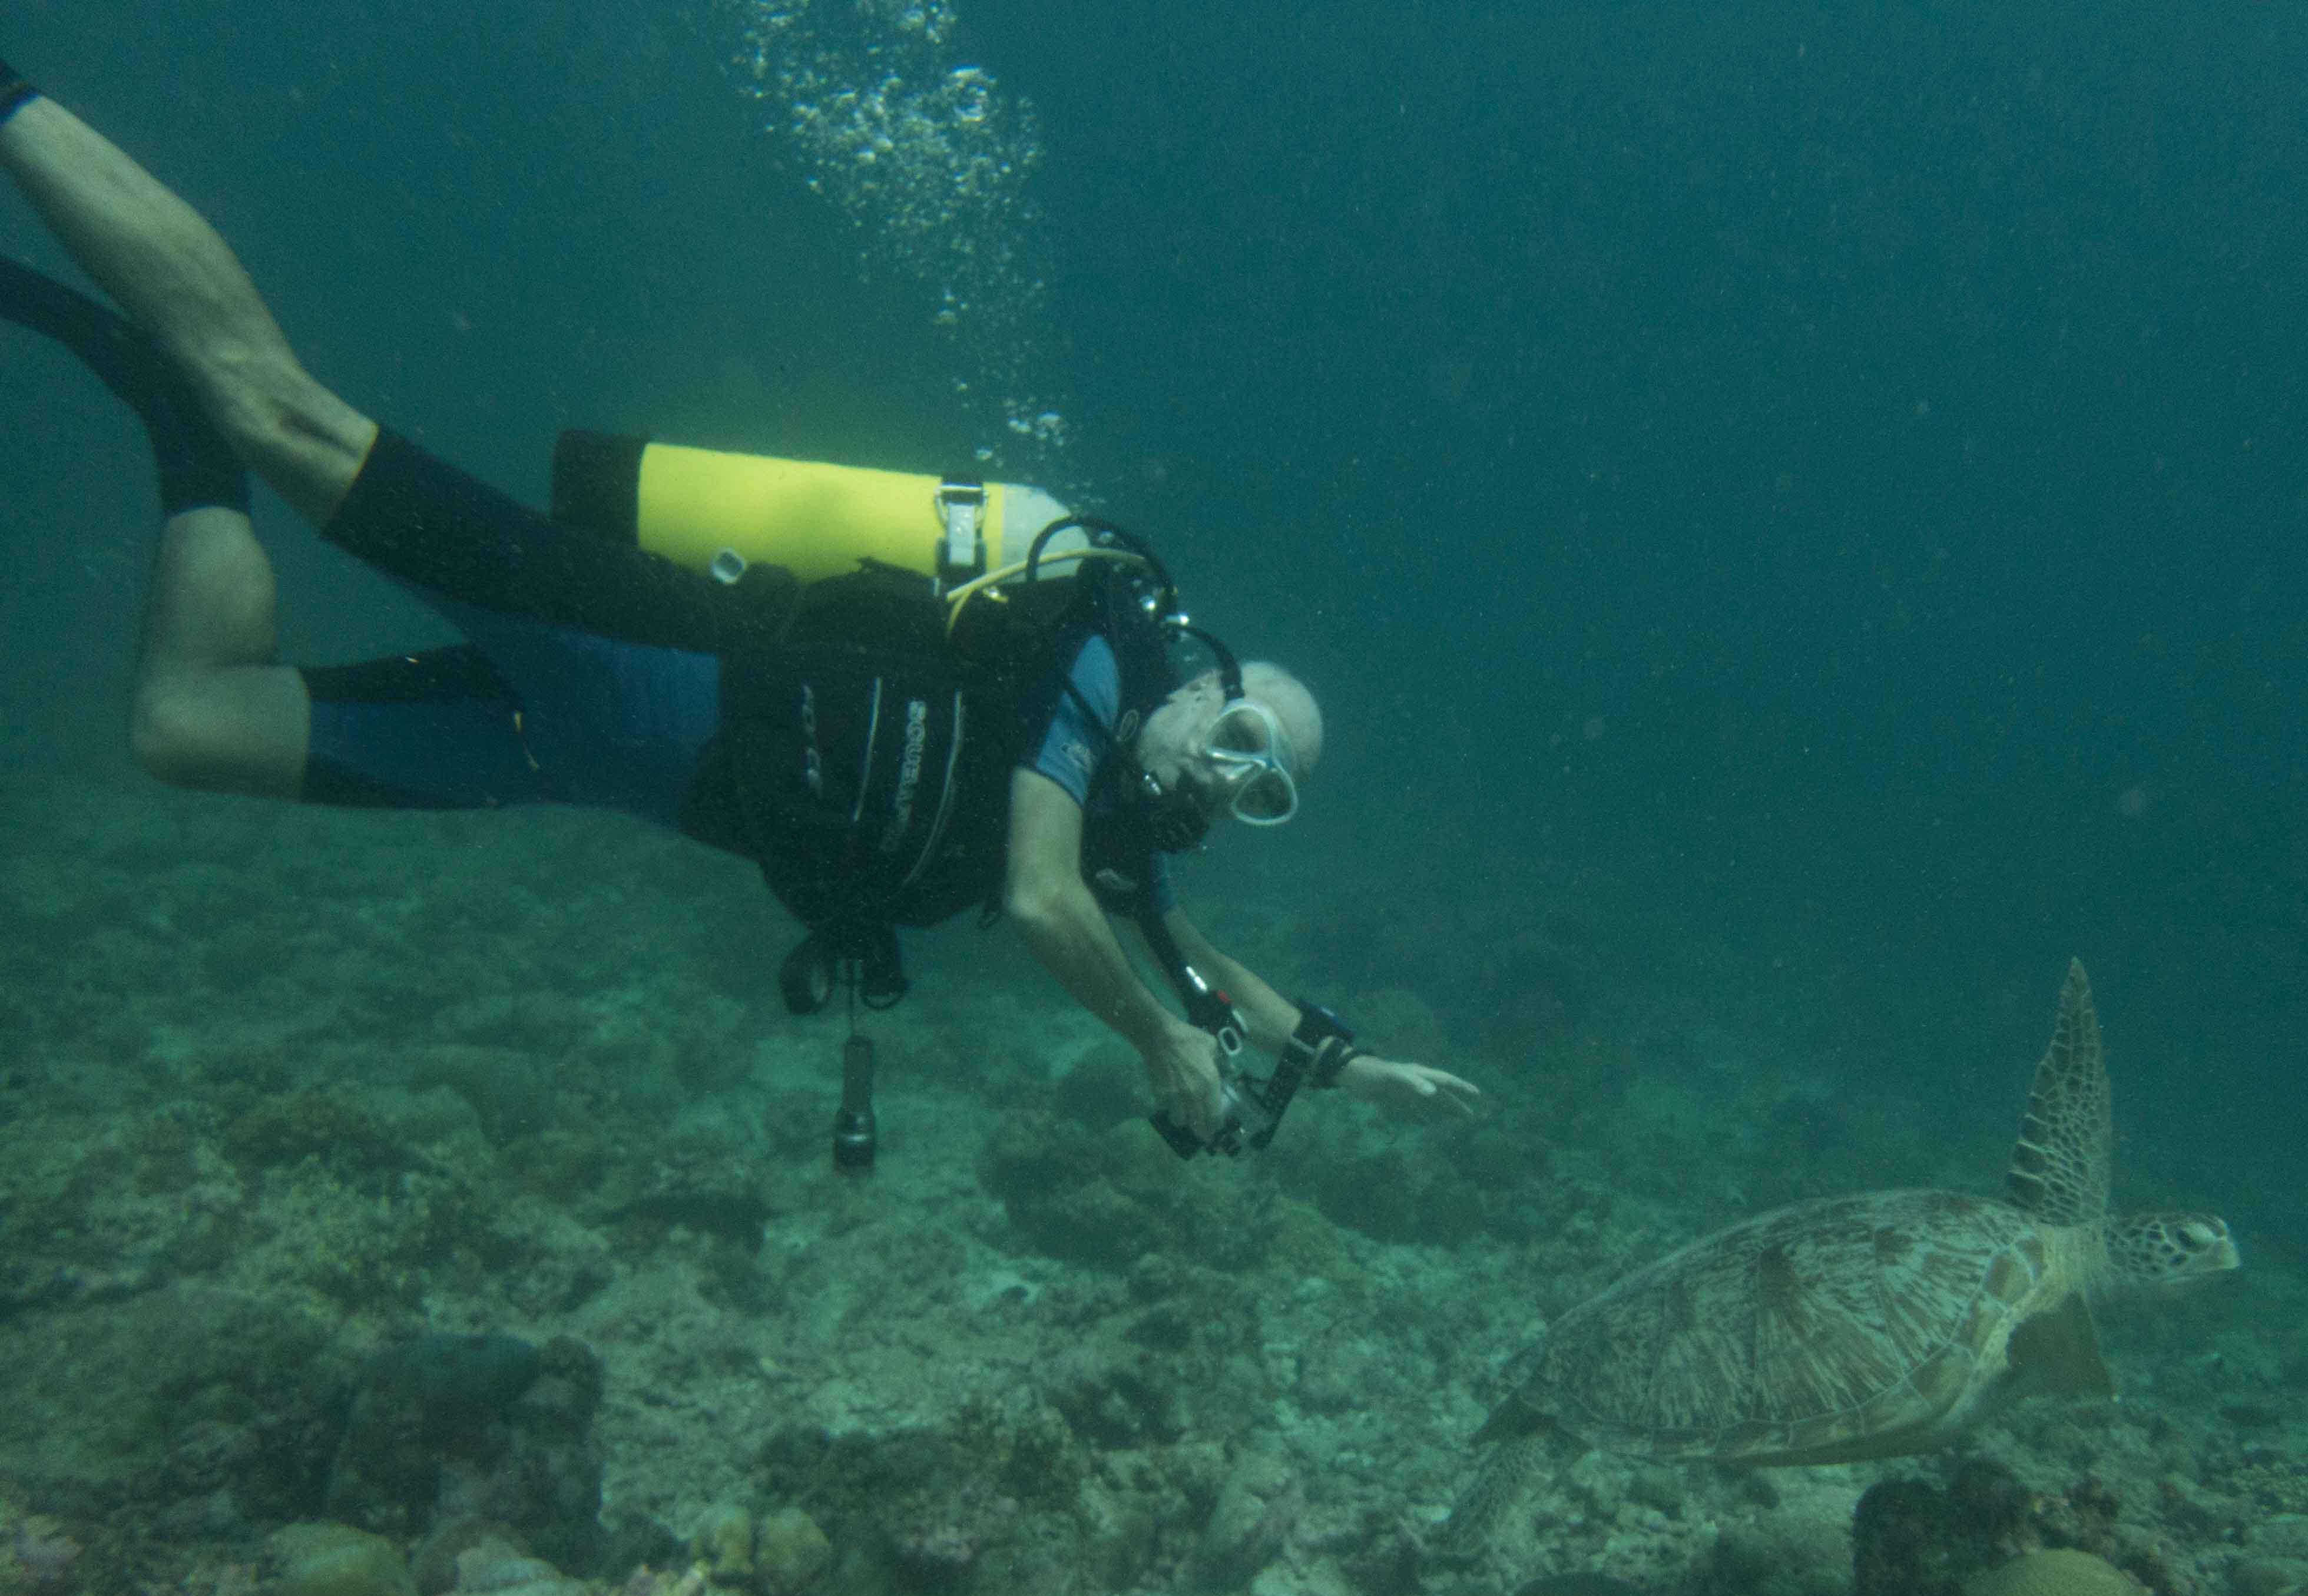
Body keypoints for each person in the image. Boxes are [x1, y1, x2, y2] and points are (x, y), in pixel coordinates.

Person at [0, 64, 1478, 1149]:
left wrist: (1346, 1064)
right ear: (1190, 683)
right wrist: (1160, 1046)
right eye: (1237, 737)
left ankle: (163, 410)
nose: (1231, 785)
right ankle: (23, 111)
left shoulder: (1113, 825)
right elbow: (1039, 905)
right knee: (286, 415)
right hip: (634, 642)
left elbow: (1193, 959)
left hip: (581, 761)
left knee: (184, 726)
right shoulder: (1090, 646)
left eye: (1266, 791)